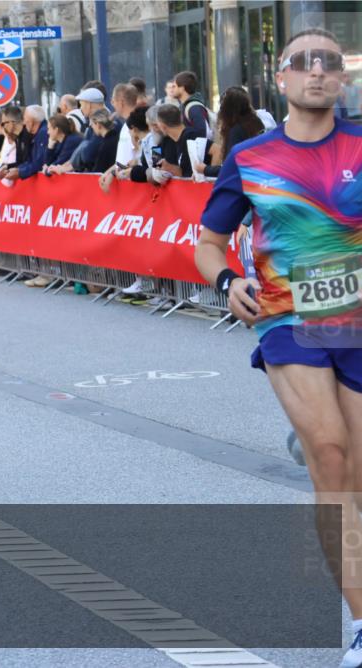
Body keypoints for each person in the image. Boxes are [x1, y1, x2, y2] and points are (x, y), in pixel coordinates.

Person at [194, 29, 362, 668]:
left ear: (340, 80)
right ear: (282, 78)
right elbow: (208, 241)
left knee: (354, 476)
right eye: (303, 63)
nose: (316, 73)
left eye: (329, 63)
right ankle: (361, 623)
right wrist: (227, 279)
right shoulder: (252, 156)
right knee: (330, 452)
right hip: (288, 320)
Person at [196, 87, 265, 178]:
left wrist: (205, 169)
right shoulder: (255, 123)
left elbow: (232, 168)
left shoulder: (236, 131)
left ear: (226, 109)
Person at [175, 71, 212, 138]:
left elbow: (202, 133)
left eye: (174, 86)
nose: (172, 90)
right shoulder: (185, 106)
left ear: (182, 88)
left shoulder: (194, 108)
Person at [86, 108, 120, 173]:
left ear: (98, 125)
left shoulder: (106, 144)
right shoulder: (116, 138)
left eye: (92, 124)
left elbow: (99, 169)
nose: (91, 127)